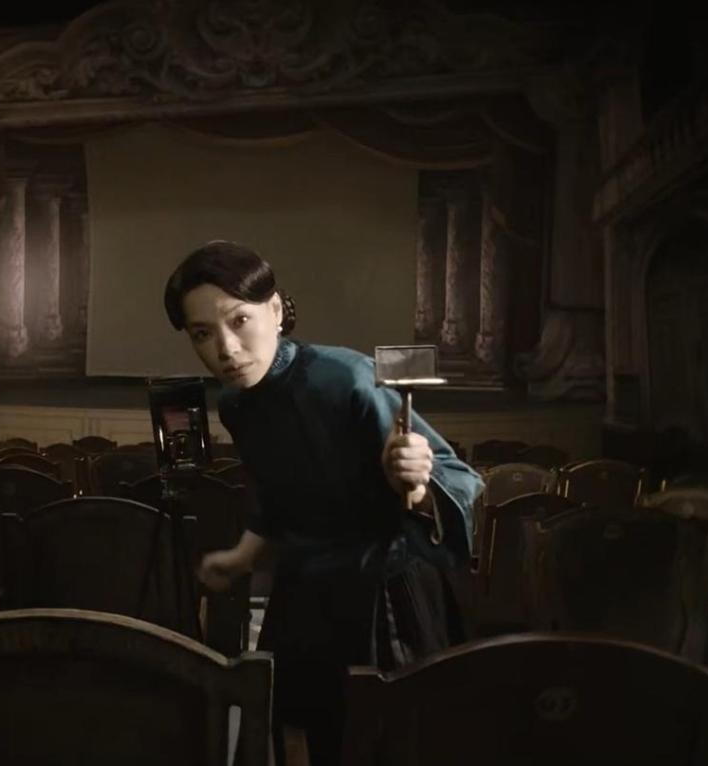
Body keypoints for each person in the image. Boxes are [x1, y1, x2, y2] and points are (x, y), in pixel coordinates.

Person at [163, 241, 483, 766]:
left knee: (387, 741)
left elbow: (460, 479)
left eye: (239, 320)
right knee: (300, 733)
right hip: (304, 588)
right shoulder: (236, 404)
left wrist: (415, 484)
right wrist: (244, 555)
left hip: (383, 590)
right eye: (202, 333)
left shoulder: (347, 377)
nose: (226, 348)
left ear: (274, 310)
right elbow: (275, 493)